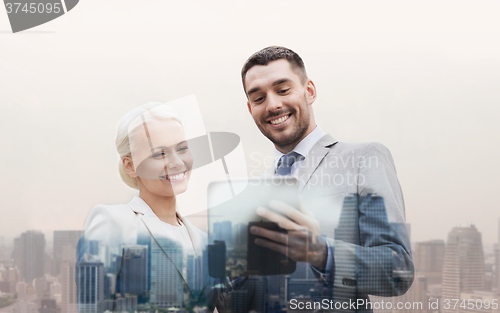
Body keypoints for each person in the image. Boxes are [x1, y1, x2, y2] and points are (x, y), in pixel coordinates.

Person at [232, 46, 414, 312]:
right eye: (259, 98)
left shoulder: (364, 158)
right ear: (251, 109)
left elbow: (398, 269)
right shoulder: (252, 193)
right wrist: (232, 278)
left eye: (283, 90)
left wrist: (320, 252)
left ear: (310, 91)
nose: (272, 105)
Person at [76, 103, 219, 312]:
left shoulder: (205, 242)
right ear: (130, 165)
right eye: (159, 154)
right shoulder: (112, 223)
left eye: (182, 148)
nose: (177, 162)